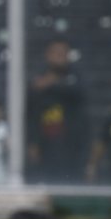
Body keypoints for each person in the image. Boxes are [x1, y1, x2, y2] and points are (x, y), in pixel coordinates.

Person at [26, 39, 88, 183]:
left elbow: (79, 93)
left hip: (72, 146)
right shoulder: (36, 77)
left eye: (63, 53)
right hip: (45, 146)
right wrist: (32, 143)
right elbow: (30, 112)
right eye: (56, 53)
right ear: (47, 55)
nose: (60, 56)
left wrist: (51, 83)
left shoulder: (77, 77)